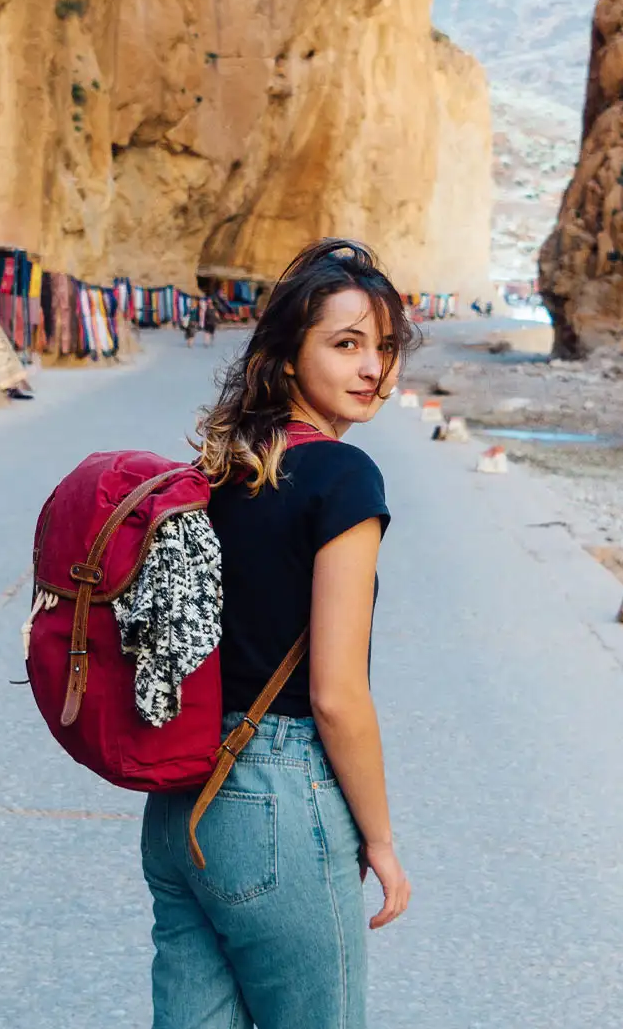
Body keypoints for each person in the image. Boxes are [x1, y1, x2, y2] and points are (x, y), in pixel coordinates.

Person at [142, 238, 418, 1028]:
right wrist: (382, 840)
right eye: (346, 343)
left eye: (386, 347)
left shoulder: (221, 468)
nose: (374, 368)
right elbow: (335, 696)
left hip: (180, 806)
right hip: (271, 805)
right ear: (289, 357)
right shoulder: (343, 479)